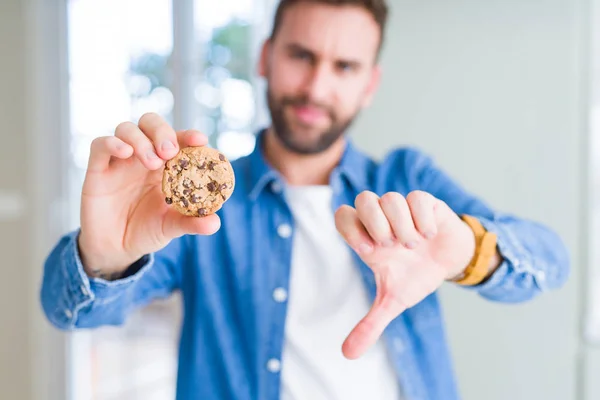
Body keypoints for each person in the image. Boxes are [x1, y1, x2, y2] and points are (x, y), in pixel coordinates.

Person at [40, 0, 570, 399]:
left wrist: (470, 252)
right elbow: (68, 313)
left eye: (344, 67)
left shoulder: (408, 177)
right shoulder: (191, 212)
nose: (317, 87)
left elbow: (550, 260)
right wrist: (105, 257)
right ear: (267, 57)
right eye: (302, 55)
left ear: (370, 84)